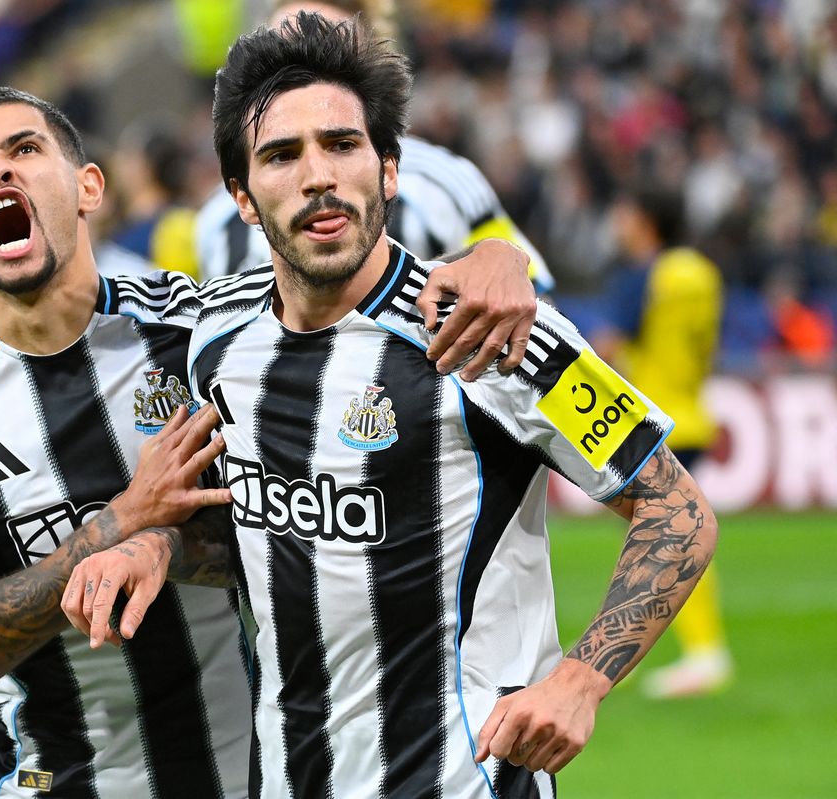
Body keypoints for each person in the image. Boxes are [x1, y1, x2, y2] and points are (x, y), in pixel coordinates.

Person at [64, 14, 719, 797]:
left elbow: (678, 512)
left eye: (341, 145)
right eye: (281, 155)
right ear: (241, 197)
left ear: (388, 170)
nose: (317, 175)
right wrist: (157, 547)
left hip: (466, 779)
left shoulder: (494, 329)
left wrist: (581, 678)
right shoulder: (217, 337)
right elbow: (260, 536)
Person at [0, 85, 540, 797]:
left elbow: (353, 284)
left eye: (24, 150)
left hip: (238, 778)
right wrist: (123, 518)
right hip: (41, 779)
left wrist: (498, 255)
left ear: (88, 187)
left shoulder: (200, 329)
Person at [193, 0, 556, 298]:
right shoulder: (215, 221)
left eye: (326, 49)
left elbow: (528, 294)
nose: (302, 75)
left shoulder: (446, 183)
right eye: (282, 54)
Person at [594, 187, 733, 698]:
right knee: (680, 525)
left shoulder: (643, 274)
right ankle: (703, 651)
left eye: (626, 210)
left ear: (646, 219)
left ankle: (703, 653)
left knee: (668, 534)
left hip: (651, 420)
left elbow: (609, 347)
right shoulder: (700, 271)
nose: (618, 219)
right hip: (694, 409)